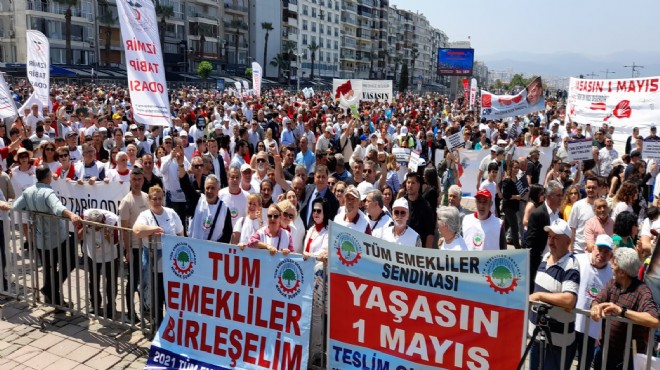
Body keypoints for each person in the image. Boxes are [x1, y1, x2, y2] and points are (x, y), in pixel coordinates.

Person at [12, 165, 83, 307]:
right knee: (71, 261)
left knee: (49, 268)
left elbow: (16, 207)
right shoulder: (48, 193)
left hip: (39, 240)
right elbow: (58, 208)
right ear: (48, 177)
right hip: (56, 238)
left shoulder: (28, 192)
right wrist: (72, 215)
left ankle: (55, 299)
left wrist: (32, 210)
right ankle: (50, 291)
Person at [591, 247, 660, 369]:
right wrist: (595, 306)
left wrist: (621, 311)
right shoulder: (612, 284)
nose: (611, 267)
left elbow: (654, 320)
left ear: (622, 272)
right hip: (603, 352)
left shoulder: (642, 291)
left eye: (615, 265)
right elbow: (598, 299)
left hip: (626, 361)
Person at [528, 218, 580, 370]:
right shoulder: (546, 257)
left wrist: (539, 296)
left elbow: (569, 299)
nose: (551, 242)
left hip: (557, 343)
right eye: (549, 237)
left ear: (568, 242)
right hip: (537, 337)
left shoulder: (571, 264)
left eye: (556, 238)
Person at [133, 185, 185, 328]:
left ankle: (172, 328)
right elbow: (137, 230)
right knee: (156, 297)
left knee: (171, 299)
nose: (157, 201)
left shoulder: (171, 213)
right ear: (149, 200)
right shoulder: (145, 215)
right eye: (154, 199)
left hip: (171, 265)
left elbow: (181, 233)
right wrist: (155, 229)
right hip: (153, 265)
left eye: (159, 198)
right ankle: (157, 328)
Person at [574, 234, 613, 370]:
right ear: (593, 248)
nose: (601, 254)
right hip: (573, 322)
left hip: (592, 329)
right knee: (564, 360)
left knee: (584, 364)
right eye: (599, 249)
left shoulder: (611, 274)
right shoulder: (578, 260)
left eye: (606, 252)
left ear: (610, 255)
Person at [118, 167, 148, 324]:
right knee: (133, 280)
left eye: (139, 179)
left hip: (146, 247)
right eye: (134, 179)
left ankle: (146, 307)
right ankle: (131, 311)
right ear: (130, 180)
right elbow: (124, 229)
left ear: (143, 180)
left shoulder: (147, 197)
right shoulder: (126, 202)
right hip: (134, 248)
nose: (137, 182)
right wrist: (127, 250)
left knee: (145, 280)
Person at [302, 197, 329, 365]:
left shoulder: (327, 232)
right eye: (314, 211)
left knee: (317, 318)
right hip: (307, 277)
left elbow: (323, 255)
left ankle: (315, 354)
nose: (316, 214)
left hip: (319, 279)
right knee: (307, 315)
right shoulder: (310, 229)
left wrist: (309, 256)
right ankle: (306, 351)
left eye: (319, 211)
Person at [80, 209, 119, 318]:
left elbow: (116, 241)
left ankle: (111, 306)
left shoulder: (112, 220)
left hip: (109, 253)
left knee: (111, 280)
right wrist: (84, 228)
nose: (96, 228)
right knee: (93, 279)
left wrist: (108, 236)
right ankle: (95, 305)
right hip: (92, 252)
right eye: (94, 226)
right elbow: (78, 236)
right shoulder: (85, 216)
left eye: (98, 226)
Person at [524, 181, 563, 290]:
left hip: (554, 261)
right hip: (538, 262)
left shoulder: (559, 214)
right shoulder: (538, 214)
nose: (561, 198)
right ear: (549, 196)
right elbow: (530, 243)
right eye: (558, 195)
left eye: (562, 195)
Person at [188, 175, 232, 243]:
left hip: (212, 250)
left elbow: (227, 233)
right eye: (207, 188)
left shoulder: (224, 209)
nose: (210, 191)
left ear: (218, 190)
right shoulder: (197, 200)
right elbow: (185, 186)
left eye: (213, 188)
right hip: (194, 247)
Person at [404, 172, 435, 248]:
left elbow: (430, 233)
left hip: (418, 249)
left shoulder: (426, 206)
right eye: (408, 182)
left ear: (418, 185)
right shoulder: (401, 202)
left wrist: (427, 254)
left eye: (413, 183)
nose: (410, 185)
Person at [568, 177, 598, 254]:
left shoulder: (602, 207)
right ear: (585, 188)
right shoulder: (577, 205)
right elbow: (572, 228)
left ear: (598, 189)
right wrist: (570, 247)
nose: (591, 190)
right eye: (589, 187)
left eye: (594, 187)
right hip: (578, 250)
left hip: (596, 251)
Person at [501, 160, 522, 248]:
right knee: (514, 227)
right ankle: (517, 248)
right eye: (515, 167)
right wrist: (516, 197)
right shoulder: (507, 180)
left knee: (505, 227)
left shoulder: (517, 179)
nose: (516, 170)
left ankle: (496, 239)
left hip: (514, 207)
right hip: (508, 207)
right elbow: (506, 195)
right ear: (510, 168)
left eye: (518, 168)